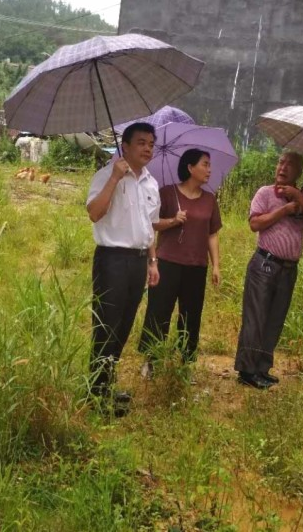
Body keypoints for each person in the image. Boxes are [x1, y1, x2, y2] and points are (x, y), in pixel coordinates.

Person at [86, 122, 161, 410]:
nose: (147, 148)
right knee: (106, 325)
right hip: (112, 260)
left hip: (139, 261)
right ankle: (96, 393)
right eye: (141, 142)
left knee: (124, 325)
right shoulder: (107, 174)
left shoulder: (151, 183)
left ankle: (106, 385)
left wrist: (153, 261)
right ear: (125, 146)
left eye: (151, 144)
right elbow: (94, 213)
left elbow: (149, 227)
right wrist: (115, 178)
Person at [234, 151, 303, 389]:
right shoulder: (264, 193)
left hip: (289, 269)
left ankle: (262, 367)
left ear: (299, 172)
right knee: (256, 318)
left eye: (290, 165)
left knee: (274, 320)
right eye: (281, 162)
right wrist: (283, 210)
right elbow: (254, 224)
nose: (283, 168)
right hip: (264, 264)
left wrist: (297, 196)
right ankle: (247, 371)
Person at [138, 148, 222, 376]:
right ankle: (151, 359)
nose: (209, 170)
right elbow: (152, 225)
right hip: (167, 262)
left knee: (191, 315)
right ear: (190, 167)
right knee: (159, 312)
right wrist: (173, 220)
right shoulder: (166, 193)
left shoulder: (209, 200)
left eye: (210, 165)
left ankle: (186, 363)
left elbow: (212, 234)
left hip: (196, 266)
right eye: (205, 164)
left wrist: (216, 265)